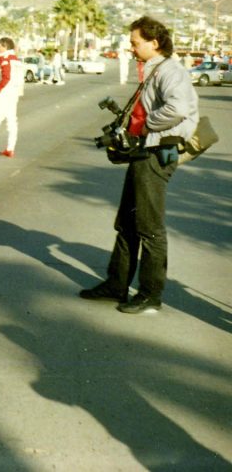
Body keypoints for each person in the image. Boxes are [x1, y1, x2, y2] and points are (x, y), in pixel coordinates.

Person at [79, 17, 198, 314]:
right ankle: (116, 284)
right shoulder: (156, 70)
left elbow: (179, 108)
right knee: (127, 224)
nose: (131, 48)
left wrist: (144, 128)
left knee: (149, 227)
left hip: (156, 155)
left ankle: (150, 295)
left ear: (153, 43)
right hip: (145, 153)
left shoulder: (170, 71)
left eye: (135, 42)